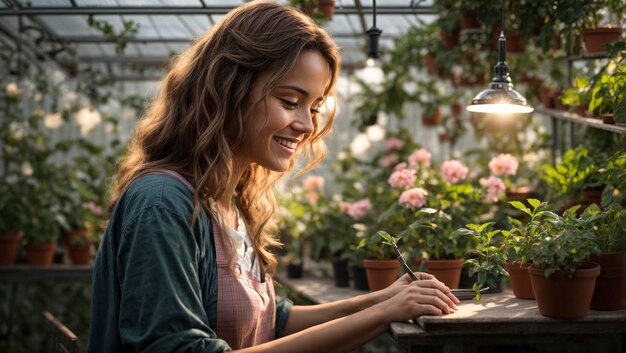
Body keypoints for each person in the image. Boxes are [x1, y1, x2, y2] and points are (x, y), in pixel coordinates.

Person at [87, 1, 459, 352]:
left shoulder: (226, 200)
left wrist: (383, 298)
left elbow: (273, 320)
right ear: (228, 88)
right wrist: (382, 314)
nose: (307, 124)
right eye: (289, 101)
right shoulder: (163, 203)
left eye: (314, 107)